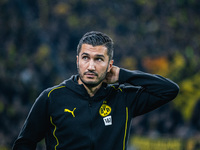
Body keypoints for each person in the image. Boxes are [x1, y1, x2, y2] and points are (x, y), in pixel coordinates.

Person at [13, 31, 179, 150]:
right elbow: (24, 143)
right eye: (86, 58)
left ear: (110, 65)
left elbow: (169, 90)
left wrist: (123, 75)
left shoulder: (123, 98)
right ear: (77, 61)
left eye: (99, 59)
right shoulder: (51, 98)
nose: (91, 66)